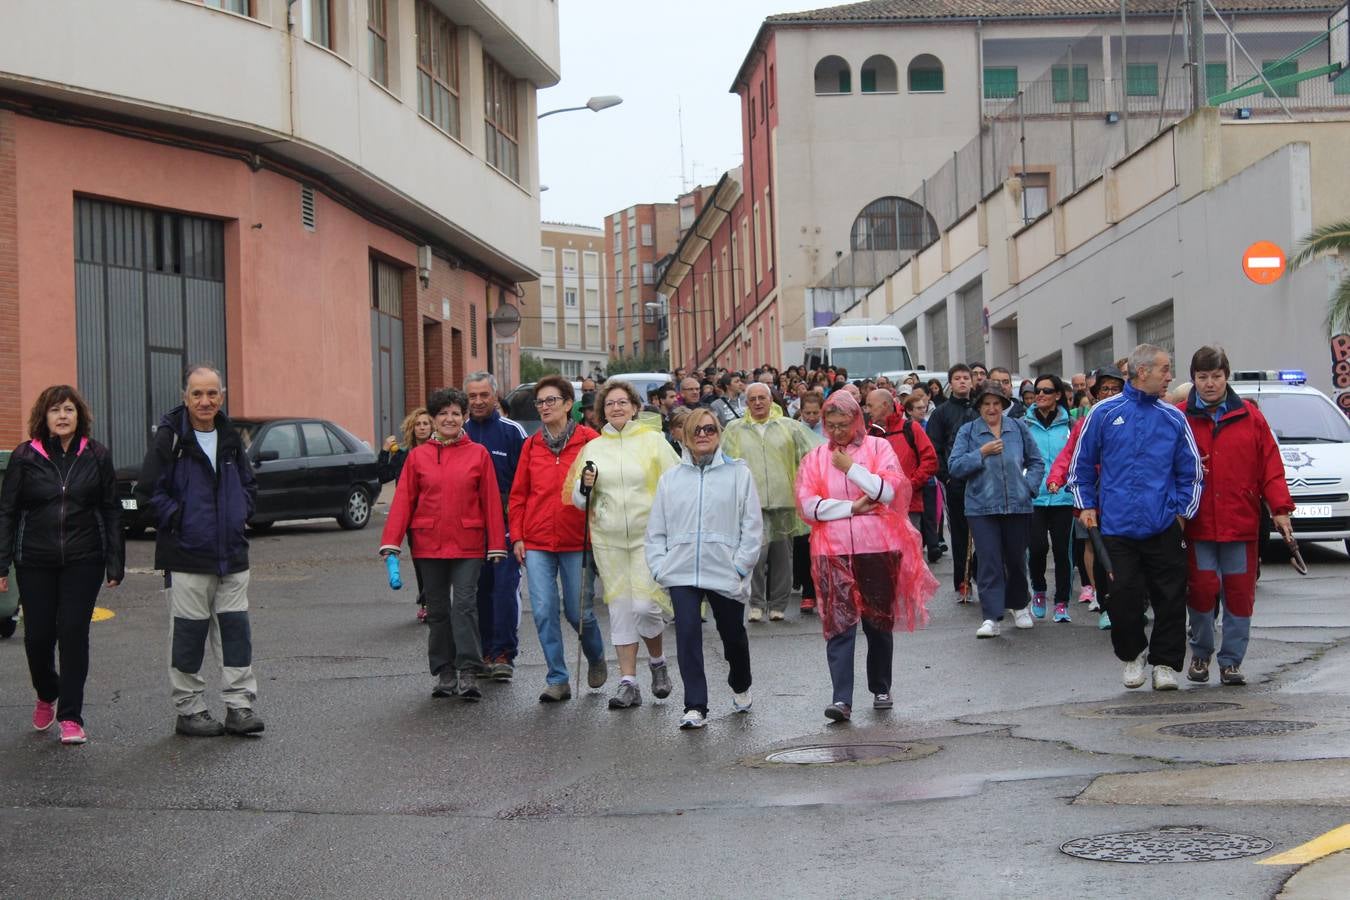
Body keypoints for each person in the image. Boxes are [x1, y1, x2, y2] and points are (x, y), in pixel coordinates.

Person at [137, 365, 263, 737]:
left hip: (232, 556)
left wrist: (242, 513)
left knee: (235, 634)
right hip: (187, 556)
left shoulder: (230, 436)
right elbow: (147, 494)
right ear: (185, 397)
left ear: (221, 396)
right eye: (197, 394)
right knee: (188, 635)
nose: (205, 401)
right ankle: (189, 710)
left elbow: (247, 483)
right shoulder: (170, 438)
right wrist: (180, 521)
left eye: (212, 394)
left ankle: (239, 707)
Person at [795, 391, 937, 722]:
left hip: (877, 548)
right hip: (833, 552)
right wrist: (850, 508)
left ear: (857, 420)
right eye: (831, 425)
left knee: (877, 622)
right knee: (839, 624)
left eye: (843, 424)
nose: (837, 431)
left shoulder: (879, 448)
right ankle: (841, 698)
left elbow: (888, 492)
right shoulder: (815, 458)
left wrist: (852, 470)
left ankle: (880, 686)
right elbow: (807, 504)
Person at [1069, 344, 1203, 691]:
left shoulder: (1173, 417)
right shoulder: (1102, 413)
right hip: (1116, 528)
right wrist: (1086, 506)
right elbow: (1080, 467)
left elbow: (1191, 472)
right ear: (1143, 372)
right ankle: (1133, 655)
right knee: (1122, 597)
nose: (1170, 375)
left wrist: (1181, 516)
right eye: (1165, 368)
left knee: (1171, 598)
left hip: (1163, 525)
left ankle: (1165, 664)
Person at [0, 385, 122, 745]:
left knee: (73, 633)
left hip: (84, 559)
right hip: (34, 560)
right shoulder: (25, 456)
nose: (63, 416)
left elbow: (112, 509)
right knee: (37, 638)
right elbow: (7, 512)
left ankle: (71, 716)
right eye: (55, 410)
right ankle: (46, 692)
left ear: (79, 415)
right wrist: (1, 564)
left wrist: (115, 561)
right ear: (45, 417)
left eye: (69, 409)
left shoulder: (96, 455)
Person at [381, 388, 508, 701]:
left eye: (455, 413)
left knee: (464, 607)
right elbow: (403, 501)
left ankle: (468, 669)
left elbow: (490, 500)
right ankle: (444, 671)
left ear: (464, 417)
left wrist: (496, 543)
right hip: (428, 543)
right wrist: (391, 541)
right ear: (433, 420)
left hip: (468, 542)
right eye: (443, 414)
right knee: (437, 611)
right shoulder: (417, 457)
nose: (449, 419)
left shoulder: (478, 453)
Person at [1180, 346, 1293, 686]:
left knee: (1239, 594)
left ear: (1226, 376)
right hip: (1198, 524)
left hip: (1241, 524)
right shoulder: (1180, 416)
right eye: (1202, 377)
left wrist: (1281, 510)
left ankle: (1231, 662)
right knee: (1201, 590)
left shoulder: (1251, 416)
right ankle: (1200, 653)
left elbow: (1270, 467)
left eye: (1216, 376)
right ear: (1194, 380)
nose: (1210, 384)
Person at [567, 380, 680, 709]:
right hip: (609, 539)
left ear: (634, 407)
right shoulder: (593, 449)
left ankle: (657, 662)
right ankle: (628, 682)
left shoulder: (654, 441)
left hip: (648, 538)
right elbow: (577, 499)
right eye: (609, 404)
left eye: (622, 403)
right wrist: (585, 487)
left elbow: (675, 484)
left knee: (645, 606)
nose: (616, 408)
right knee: (619, 608)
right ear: (601, 411)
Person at [646, 407, 762, 729]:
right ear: (682, 436)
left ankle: (741, 684)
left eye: (710, 429)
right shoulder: (671, 479)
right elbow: (656, 530)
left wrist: (739, 567)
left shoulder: (739, 474)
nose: (703, 435)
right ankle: (695, 705)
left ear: (719, 433)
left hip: (724, 571)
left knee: (733, 636)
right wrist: (659, 566)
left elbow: (752, 527)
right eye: (696, 430)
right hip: (681, 572)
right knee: (687, 635)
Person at [508, 377, 606, 702]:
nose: (545, 407)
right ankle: (557, 678)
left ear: (568, 404)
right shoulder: (531, 446)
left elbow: (605, 488)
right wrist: (518, 536)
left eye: (551, 401)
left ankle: (595, 656)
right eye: (540, 402)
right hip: (536, 541)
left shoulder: (590, 440)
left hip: (577, 539)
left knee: (579, 613)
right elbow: (519, 494)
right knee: (543, 610)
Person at [721, 383, 822, 623]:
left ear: (771, 400)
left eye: (762, 398)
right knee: (756, 554)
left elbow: (809, 455)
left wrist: (806, 487)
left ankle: (778, 605)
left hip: (784, 500)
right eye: (752, 399)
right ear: (746, 403)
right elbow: (725, 462)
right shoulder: (735, 429)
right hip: (752, 502)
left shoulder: (789, 427)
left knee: (782, 556)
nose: (757, 403)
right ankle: (756, 603)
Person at [950, 383, 1045, 638]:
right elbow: (955, 466)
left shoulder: (1018, 428)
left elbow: (1036, 462)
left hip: (1018, 504)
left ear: (1004, 405)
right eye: (986, 404)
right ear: (979, 406)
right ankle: (991, 616)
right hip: (981, 507)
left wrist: (1029, 488)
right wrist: (980, 453)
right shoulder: (968, 432)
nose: (991, 408)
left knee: (1015, 559)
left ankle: (1019, 604)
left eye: (996, 403)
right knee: (989, 561)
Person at [1050, 366, 1126, 627]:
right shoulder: (1084, 423)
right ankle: (1104, 603)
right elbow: (1069, 455)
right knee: (1095, 547)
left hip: (1126, 498)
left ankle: (1128, 601)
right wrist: (1055, 479)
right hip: (1092, 497)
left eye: (1115, 388)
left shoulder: (1133, 417)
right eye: (1104, 389)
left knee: (1125, 551)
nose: (1109, 393)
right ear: (1095, 394)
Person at [463, 372, 526, 681]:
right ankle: (483, 651)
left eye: (483, 395)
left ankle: (502, 653)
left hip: (505, 527)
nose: (477, 401)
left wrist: (519, 531)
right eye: (472, 396)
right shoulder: (459, 433)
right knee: (476, 592)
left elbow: (526, 483)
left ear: (495, 396)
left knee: (503, 590)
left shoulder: (513, 432)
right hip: (470, 529)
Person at [925, 364, 981, 599]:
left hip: (982, 480)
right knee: (959, 533)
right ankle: (962, 581)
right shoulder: (941, 412)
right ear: (950, 382)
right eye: (957, 378)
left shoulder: (981, 408)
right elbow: (934, 448)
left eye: (966, 378)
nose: (962, 382)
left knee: (984, 532)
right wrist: (945, 477)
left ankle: (981, 573)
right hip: (954, 481)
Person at [1024, 375, 1075, 623]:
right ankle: (1039, 590)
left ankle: (1063, 601)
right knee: (1037, 547)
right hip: (1034, 497)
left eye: (1047, 390)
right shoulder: (1024, 424)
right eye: (1037, 391)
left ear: (1058, 395)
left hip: (1063, 497)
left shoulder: (1071, 424)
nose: (1040, 394)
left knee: (1063, 550)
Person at [378, 407, 433, 622]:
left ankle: (432, 599)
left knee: (435, 560)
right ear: (412, 428)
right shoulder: (402, 454)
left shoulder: (439, 451)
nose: (421, 428)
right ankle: (427, 602)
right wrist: (384, 452)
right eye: (418, 424)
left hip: (433, 513)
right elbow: (383, 476)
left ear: (432, 427)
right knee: (420, 560)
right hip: (411, 517)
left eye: (425, 424)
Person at [865, 389, 938, 536]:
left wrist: (910, 485)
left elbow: (930, 460)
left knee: (909, 553)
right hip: (878, 508)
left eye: (870, 405)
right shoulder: (870, 435)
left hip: (909, 506)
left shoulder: (910, 428)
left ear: (885, 405)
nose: (867, 410)